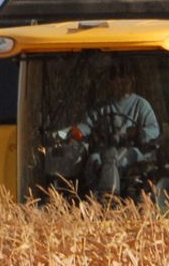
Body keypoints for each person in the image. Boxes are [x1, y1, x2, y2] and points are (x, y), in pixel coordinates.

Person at [54, 64, 159, 195]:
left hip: (133, 150)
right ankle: (94, 198)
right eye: (116, 78)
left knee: (119, 160)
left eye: (125, 78)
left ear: (131, 81)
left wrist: (138, 132)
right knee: (93, 160)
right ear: (111, 83)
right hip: (106, 151)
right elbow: (86, 125)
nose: (121, 82)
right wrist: (75, 132)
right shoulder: (102, 107)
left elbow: (154, 131)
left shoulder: (141, 105)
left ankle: (117, 196)